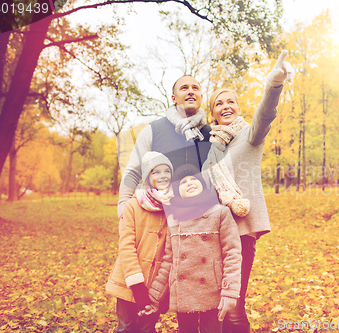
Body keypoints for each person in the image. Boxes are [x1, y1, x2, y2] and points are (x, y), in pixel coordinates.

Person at [204, 50, 294, 333]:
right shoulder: (210, 145)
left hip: (241, 231)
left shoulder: (251, 135)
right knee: (211, 304)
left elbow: (265, 114)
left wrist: (273, 84)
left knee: (234, 305)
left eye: (231, 101)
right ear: (213, 112)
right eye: (219, 103)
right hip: (212, 230)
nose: (226, 106)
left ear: (239, 108)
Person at [144, 164, 242, 333]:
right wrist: (154, 295)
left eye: (194, 179)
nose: (189, 183)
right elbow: (169, 260)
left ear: (203, 184)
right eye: (183, 182)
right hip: (183, 293)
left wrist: (230, 292)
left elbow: (232, 253)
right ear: (177, 190)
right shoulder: (174, 217)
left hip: (213, 291)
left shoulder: (220, 212)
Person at [117, 75, 212, 220]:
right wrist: (123, 209)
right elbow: (133, 171)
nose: (191, 91)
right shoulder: (154, 130)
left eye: (195, 88)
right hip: (160, 217)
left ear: (201, 96)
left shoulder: (211, 135)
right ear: (174, 98)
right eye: (184, 88)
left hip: (202, 218)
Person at [106, 152, 174, 333]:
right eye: (156, 172)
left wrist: (162, 289)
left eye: (166, 171)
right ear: (147, 177)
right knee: (126, 327)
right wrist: (137, 285)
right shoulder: (132, 206)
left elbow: (172, 252)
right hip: (129, 280)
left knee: (147, 329)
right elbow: (126, 246)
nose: (162, 176)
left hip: (156, 285)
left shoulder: (174, 208)